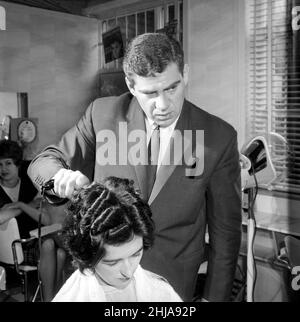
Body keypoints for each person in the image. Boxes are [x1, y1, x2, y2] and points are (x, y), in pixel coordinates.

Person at [28, 32, 242, 301]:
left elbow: (226, 235)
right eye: (150, 93)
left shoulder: (218, 137)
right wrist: (59, 176)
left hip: (172, 284)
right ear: (130, 84)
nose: (163, 105)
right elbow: (43, 161)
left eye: (172, 88)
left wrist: (214, 299)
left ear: (185, 74)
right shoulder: (102, 115)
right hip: (103, 283)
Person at [52, 177, 182, 302]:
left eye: (136, 254)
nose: (128, 271)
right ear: (88, 258)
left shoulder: (161, 293)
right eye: (112, 263)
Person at [0, 139, 66, 301]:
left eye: (8, 163)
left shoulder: (30, 186)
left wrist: (21, 205)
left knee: (61, 253)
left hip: (32, 242)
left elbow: (46, 219)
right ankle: (49, 299)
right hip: (12, 247)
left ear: (18, 165)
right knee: (50, 244)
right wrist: (28, 206)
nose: (3, 169)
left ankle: (53, 297)